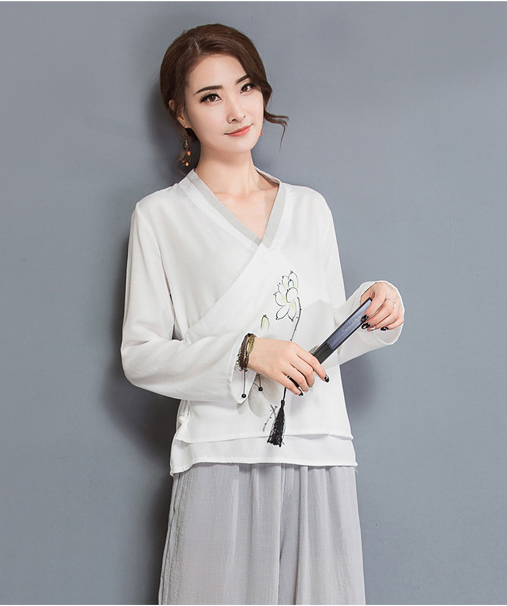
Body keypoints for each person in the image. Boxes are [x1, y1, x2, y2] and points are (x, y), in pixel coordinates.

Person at [121, 23, 404, 605]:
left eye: (245, 87)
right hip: (220, 451)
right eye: (211, 96)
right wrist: (248, 351)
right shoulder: (160, 217)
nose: (236, 110)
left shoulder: (309, 208)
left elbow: (321, 338)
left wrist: (374, 307)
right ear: (181, 112)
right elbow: (140, 356)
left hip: (317, 448)